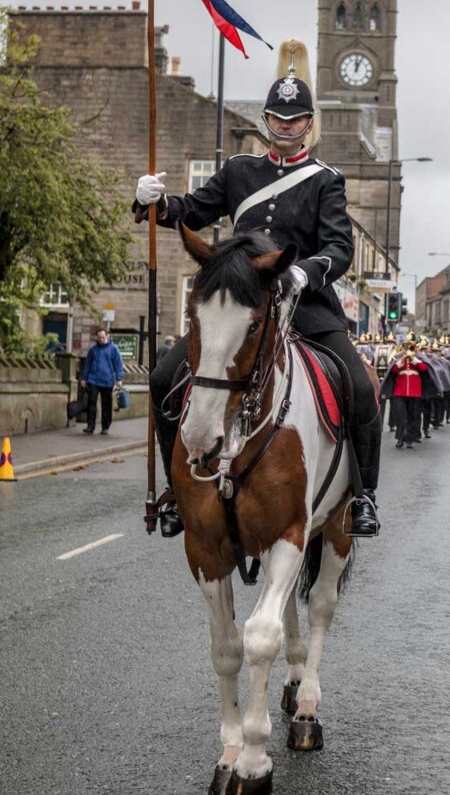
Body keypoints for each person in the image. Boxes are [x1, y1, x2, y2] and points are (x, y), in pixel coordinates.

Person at [134, 39, 381, 539]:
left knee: (358, 387)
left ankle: (364, 497)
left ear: (308, 123)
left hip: (304, 304)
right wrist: (153, 202)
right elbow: (191, 212)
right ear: (267, 120)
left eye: (295, 119)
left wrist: (301, 273)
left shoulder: (325, 181)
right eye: (277, 118)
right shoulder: (238, 172)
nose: (286, 127)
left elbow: (338, 248)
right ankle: (176, 492)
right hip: (243, 305)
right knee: (163, 379)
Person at [80, 328, 124, 436]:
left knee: (106, 405)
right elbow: (87, 365)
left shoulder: (113, 349)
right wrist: (84, 378)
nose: (101, 339)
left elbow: (118, 364)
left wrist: (119, 379)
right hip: (93, 379)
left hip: (107, 380)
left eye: (103, 337)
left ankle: (105, 427)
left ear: (107, 336)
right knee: (91, 403)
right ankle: (90, 426)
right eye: (99, 337)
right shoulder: (93, 350)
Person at [390, 344, 427, 448]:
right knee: (401, 417)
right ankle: (400, 439)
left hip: (414, 392)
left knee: (412, 416)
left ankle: (409, 439)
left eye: (410, 349)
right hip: (400, 392)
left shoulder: (418, 359)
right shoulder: (399, 359)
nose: (408, 351)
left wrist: (412, 358)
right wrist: (403, 358)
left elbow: (423, 368)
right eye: (406, 350)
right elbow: (394, 370)